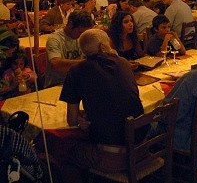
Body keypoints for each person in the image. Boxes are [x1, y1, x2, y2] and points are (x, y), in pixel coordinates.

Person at [59, 28, 146, 183]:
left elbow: (71, 121)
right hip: (141, 146)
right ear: (103, 46)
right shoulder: (123, 63)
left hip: (114, 157)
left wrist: (81, 116)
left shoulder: (76, 70)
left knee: (63, 150)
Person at [44, 11, 94, 88]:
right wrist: (86, 63)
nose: (82, 35)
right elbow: (56, 64)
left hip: (77, 81)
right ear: (70, 24)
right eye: (80, 32)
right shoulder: (54, 39)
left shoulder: (81, 37)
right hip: (58, 83)